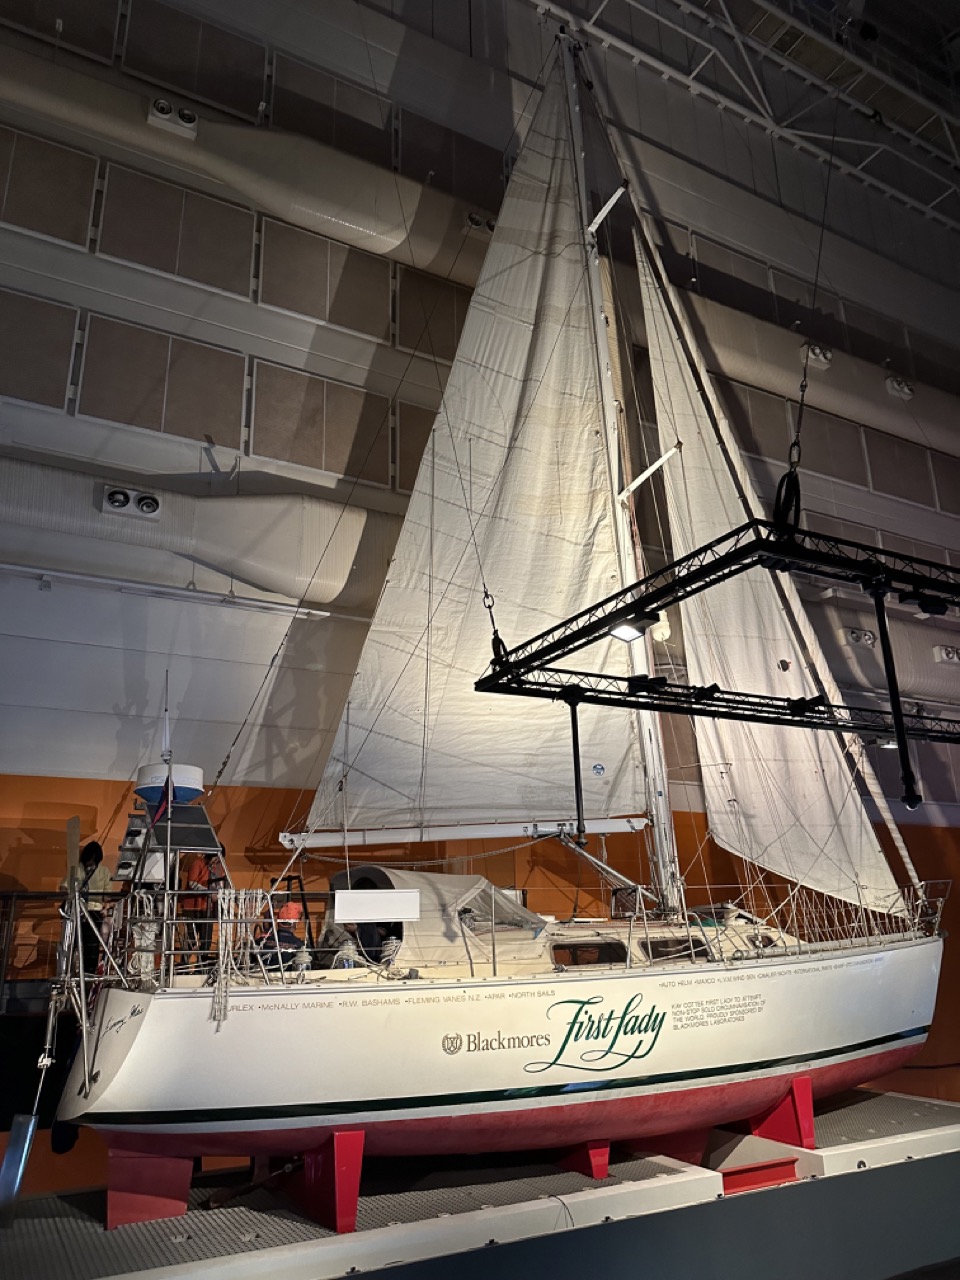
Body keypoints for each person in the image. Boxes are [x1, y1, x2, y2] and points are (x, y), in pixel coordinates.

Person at [65, 841, 112, 975]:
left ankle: (89, 973)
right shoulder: (75, 870)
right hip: (76, 911)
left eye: (93, 860)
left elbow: (107, 895)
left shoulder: (104, 871)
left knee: (91, 946)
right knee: (74, 944)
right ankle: (72, 972)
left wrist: (104, 902)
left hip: (94, 912)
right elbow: (64, 886)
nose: (90, 862)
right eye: (89, 859)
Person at [180, 846, 227, 967]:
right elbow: (192, 883)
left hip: (207, 908)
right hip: (192, 908)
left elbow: (221, 884)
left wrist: (220, 893)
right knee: (190, 940)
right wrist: (209, 892)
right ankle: (183, 966)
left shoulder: (218, 868)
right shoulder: (198, 863)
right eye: (217, 858)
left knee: (206, 939)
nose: (218, 861)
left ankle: (201, 967)